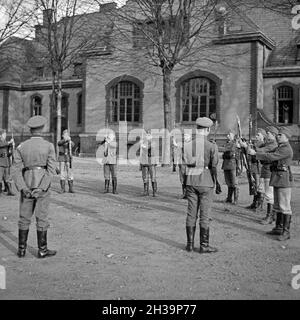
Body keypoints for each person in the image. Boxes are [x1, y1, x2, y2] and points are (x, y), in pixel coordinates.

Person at [11, 115, 57, 258]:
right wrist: (42, 187)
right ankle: (42, 249)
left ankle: (21, 250)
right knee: (42, 217)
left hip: (26, 184)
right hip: (42, 184)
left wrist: (23, 187)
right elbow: (51, 170)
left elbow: (15, 169)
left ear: (31, 130)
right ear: (42, 129)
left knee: (24, 217)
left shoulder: (21, 146)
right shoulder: (49, 146)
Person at [249, 127, 294, 241]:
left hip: (283, 180)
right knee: (278, 205)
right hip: (278, 178)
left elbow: (271, 156)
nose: (278, 136)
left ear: (286, 137)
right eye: (278, 135)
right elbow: (268, 152)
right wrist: (256, 151)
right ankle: (278, 228)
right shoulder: (280, 147)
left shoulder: (286, 149)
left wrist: (255, 153)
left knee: (285, 206)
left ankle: (286, 231)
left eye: (280, 135)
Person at [183, 117, 219, 254]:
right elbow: (214, 165)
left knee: (191, 213)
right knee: (205, 214)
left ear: (197, 129)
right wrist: (217, 182)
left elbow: (185, 163)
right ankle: (204, 245)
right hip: (206, 180)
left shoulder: (187, 145)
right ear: (208, 130)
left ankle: (190, 245)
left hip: (191, 180)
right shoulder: (212, 146)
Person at [256, 126, 278, 223]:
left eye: (268, 133)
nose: (267, 134)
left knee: (269, 194)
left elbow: (261, 150)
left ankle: (270, 216)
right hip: (265, 169)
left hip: (269, 170)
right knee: (266, 192)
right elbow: (260, 147)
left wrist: (252, 149)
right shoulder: (268, 143)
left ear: (273, 135)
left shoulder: (273, 144)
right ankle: (271, 215)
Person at [245, 128, 266, 210]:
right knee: (253, 184)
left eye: (258, 135)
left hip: (258, 167)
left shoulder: (263, 145)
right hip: (252, 167)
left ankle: (259, 203)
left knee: (258, 185)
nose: (256, 136)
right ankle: (254, 202)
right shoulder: (255, 143)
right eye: (256, 134)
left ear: (263, 136)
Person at [220, 130, 241, 205]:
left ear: (233, 136)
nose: (227, 136)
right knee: (228, 182)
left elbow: (235, 154)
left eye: (229, 134)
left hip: (233, 165)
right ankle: (229, 198)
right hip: (226, 164)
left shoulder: (235, 144)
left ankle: (235, 199)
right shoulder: (227, 144)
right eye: (227, 134)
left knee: (234, 182)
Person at [140, 130, 158, 197]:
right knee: (145, 177)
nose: (147, 136)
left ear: (151, 136)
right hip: (144, 162)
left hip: (151, 162)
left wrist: (143, 146)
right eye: (147, 135)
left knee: (153, 177)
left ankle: (154, 191)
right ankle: (146, 191)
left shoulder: (153, 142)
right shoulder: (143, 142)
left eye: (149, 135)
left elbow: (149, 148)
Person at [57, 129, 75, 193]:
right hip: (62, 158)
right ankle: (63, 188)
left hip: (68, 158)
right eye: (65, 134)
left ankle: (71, 188)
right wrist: (65, 140)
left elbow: (73, 145)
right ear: (62, 135)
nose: (66, 135)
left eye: (67, 134)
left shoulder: (69, 142)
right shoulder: (61, 141)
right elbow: (59, 143)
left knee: (70, 173)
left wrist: (69, 140)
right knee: (62, 173)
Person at [0, 129, 15, 196]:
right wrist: (9, 142)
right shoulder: (2, 142)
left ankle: (9, 191)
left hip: (6, 162)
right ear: (0, 135)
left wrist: (12, 145)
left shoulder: (5, 142)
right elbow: (1, 145)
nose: (5, 135)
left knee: (7, 177)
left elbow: (10, 151)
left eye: (5, 134)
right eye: (4, 134)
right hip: (0, 162)